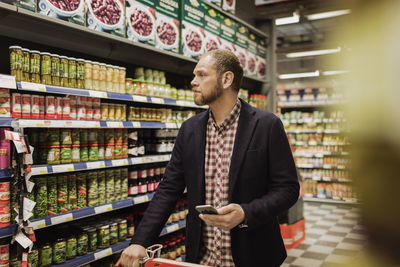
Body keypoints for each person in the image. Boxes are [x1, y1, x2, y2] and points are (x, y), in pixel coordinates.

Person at [119, 49, 299, 267]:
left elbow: (288, 189)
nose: (193, 82)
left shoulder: (267, 125)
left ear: (226, 79)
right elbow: (169, 189)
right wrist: (140, 241)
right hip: (202, 258)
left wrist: (245, 213)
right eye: (195, 75)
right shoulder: (190, 129)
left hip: (253, 256)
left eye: (202, 75)